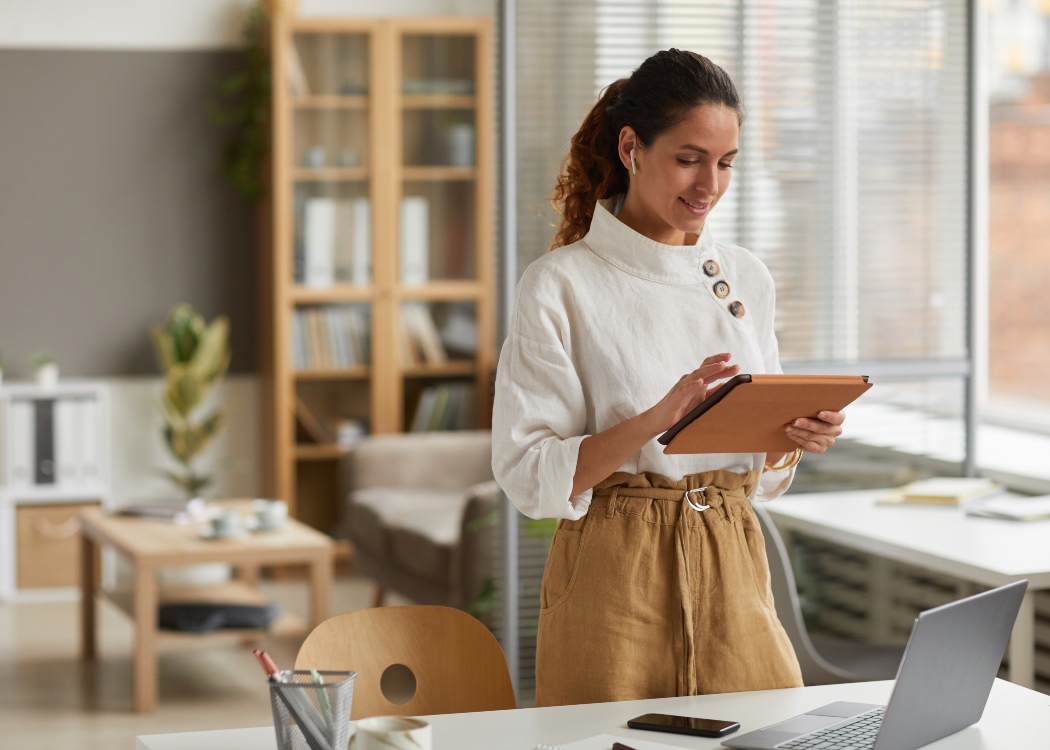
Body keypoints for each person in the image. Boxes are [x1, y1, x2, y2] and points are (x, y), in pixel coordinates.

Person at [491, 49, 846, 707]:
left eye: (726, 162)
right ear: (631, 148)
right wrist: (657, 419)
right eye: (689, 158)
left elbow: (764, 477)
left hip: (733, 558)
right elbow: (529, 474)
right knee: (607, 742)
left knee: (767, 732)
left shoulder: (746, 276)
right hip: (613, 573)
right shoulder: (560, 284)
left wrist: (789, 439)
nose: (710, 184)